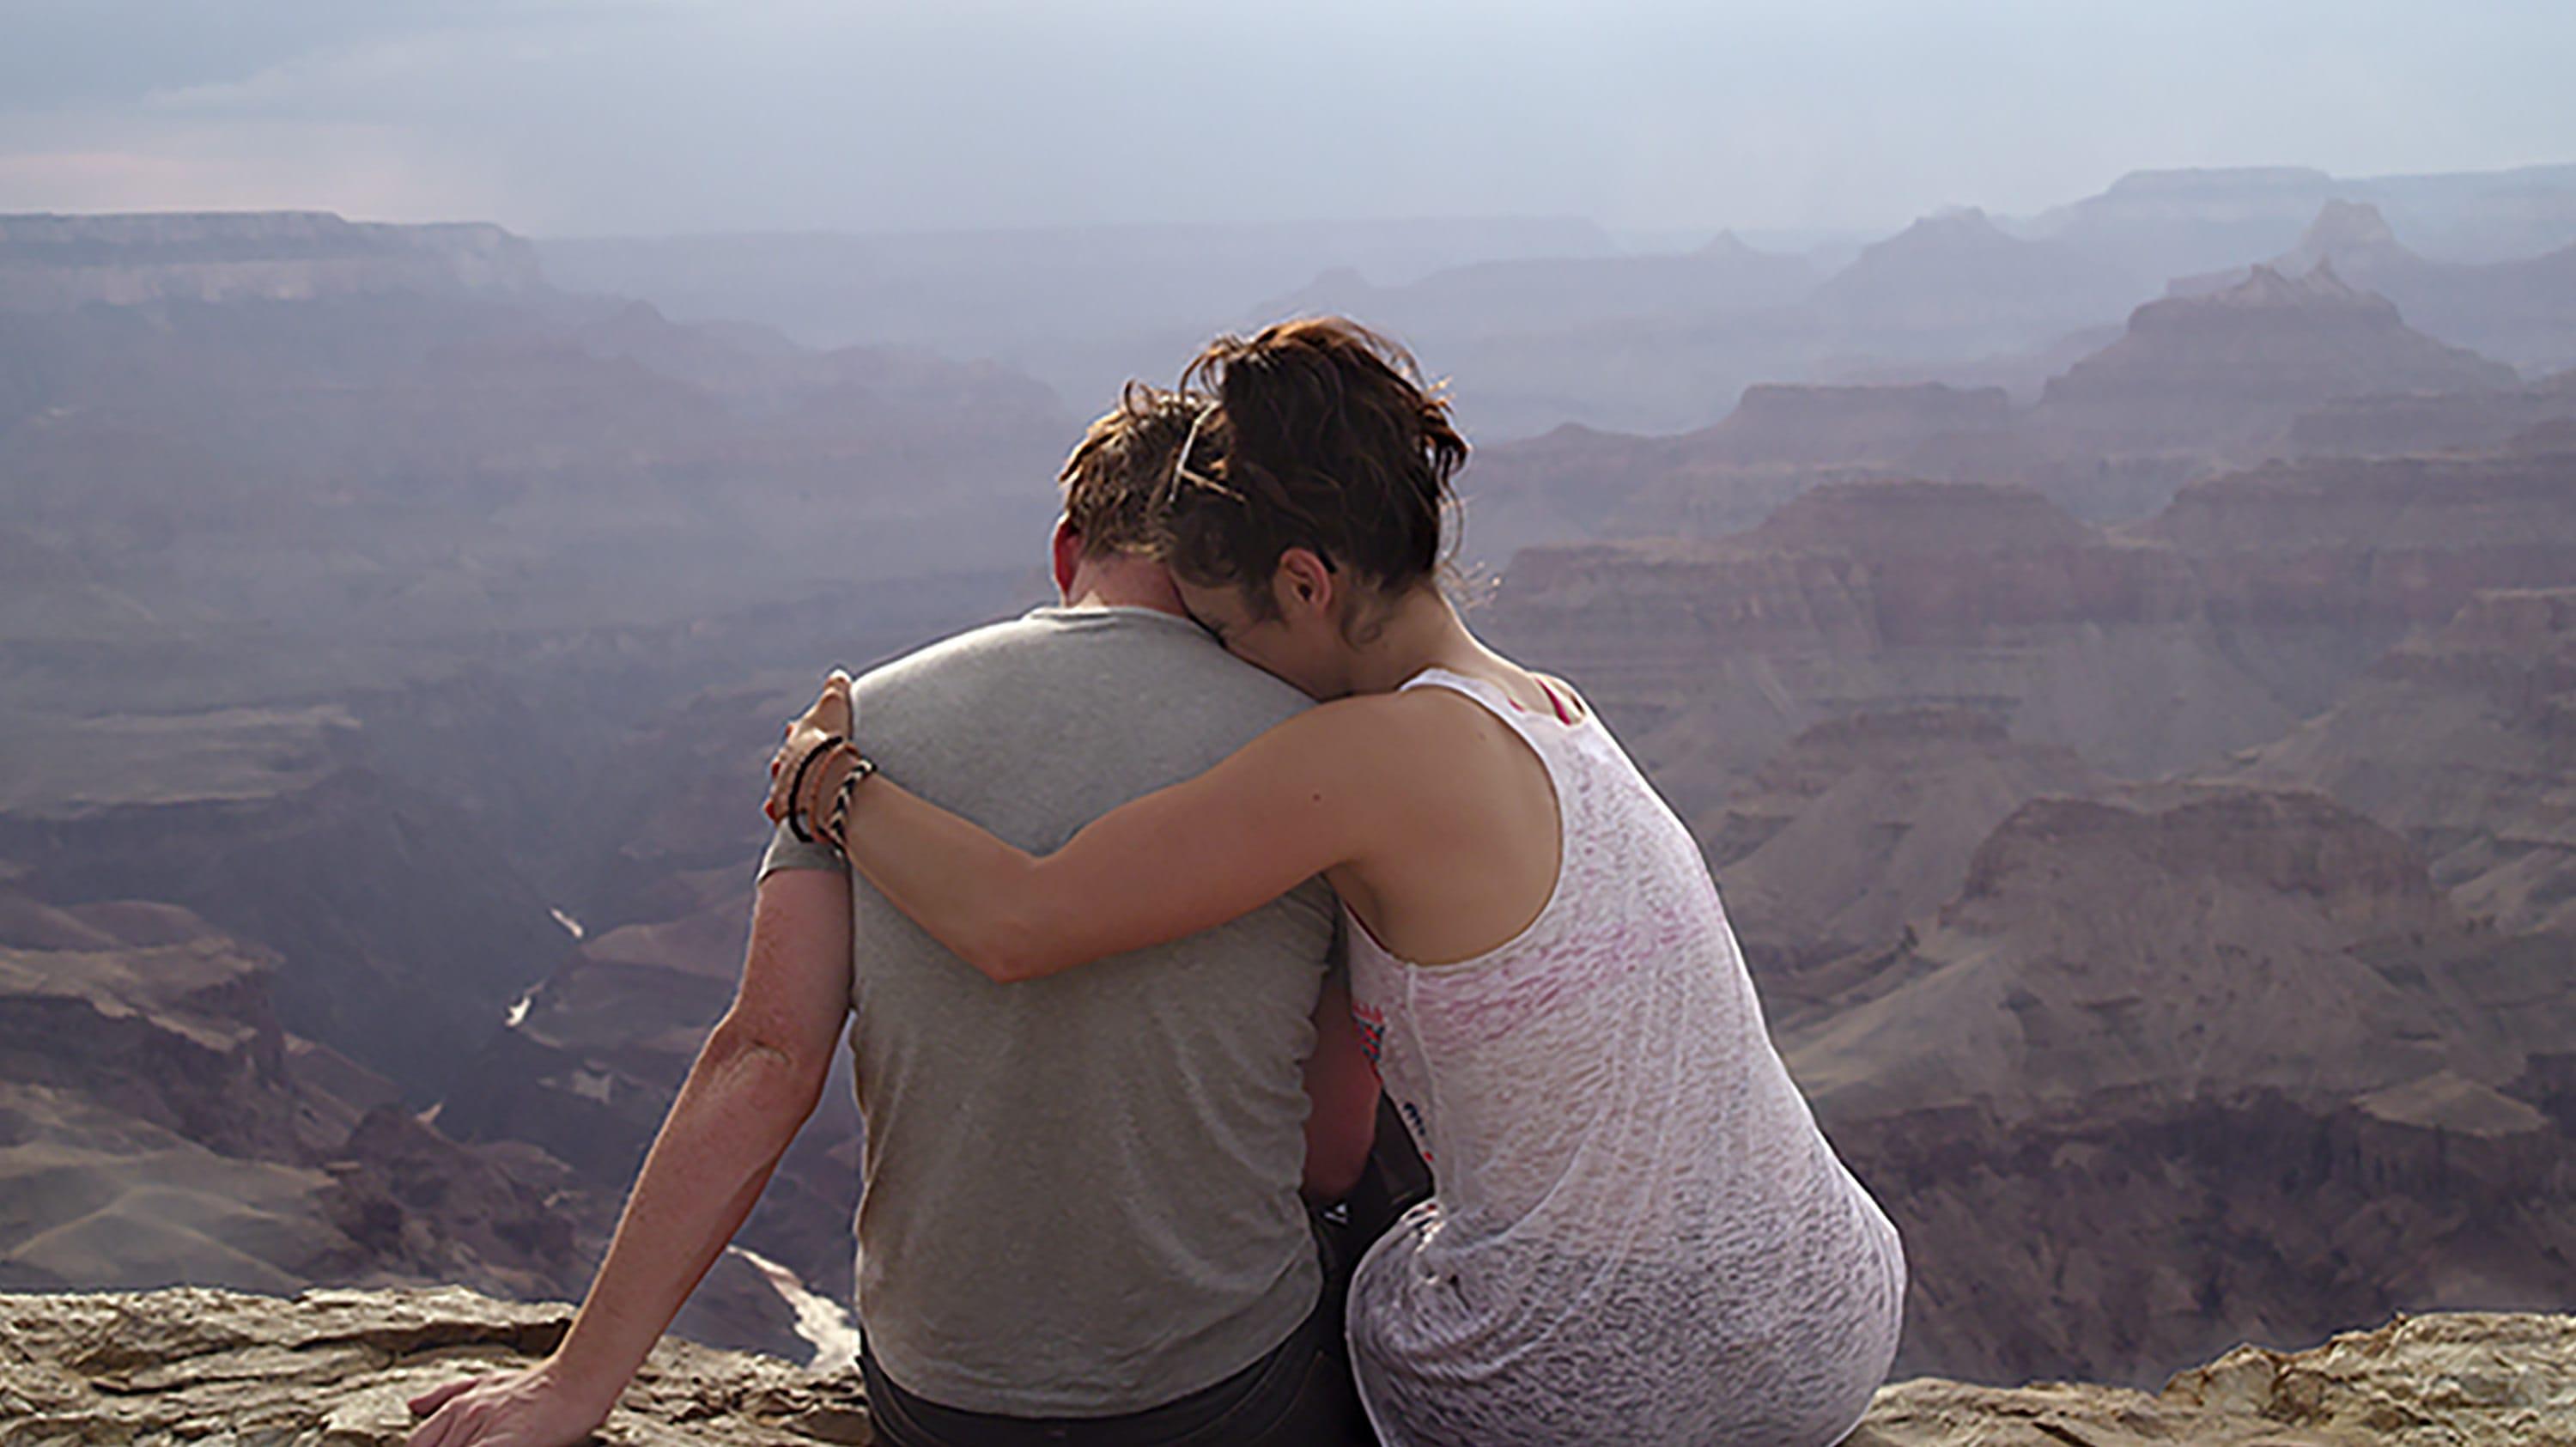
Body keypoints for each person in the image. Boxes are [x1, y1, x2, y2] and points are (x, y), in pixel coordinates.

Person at [765, 317, 1908, 1447]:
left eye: (1223, 629)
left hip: (1589, 1381)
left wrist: (835, 782)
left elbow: (1020, 920)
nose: (1225, 669)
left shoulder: (1370, 759)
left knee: (1286, 1283)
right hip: (1826, 1319)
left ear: (1306, 583)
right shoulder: (1551, 708)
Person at [409, 385, 1382, 1447]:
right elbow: (1329, 1153)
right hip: (1225, 1388)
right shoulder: (1318, 758)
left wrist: (575, 1384)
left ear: (1068, 550)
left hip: (945, 1396)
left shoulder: (858, 730)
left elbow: (764, 1057)